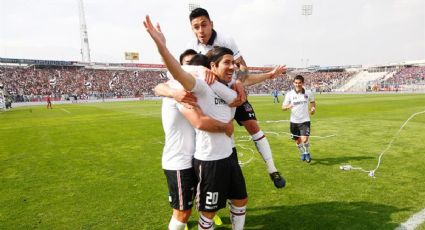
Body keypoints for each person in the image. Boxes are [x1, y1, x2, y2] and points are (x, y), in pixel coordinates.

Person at [144, 15, 247, 229]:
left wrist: (240, 84)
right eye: (188, 64)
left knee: (207, 207)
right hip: (180, 159)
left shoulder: (210, 87)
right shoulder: (181, 90)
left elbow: (236, 83)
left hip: (196, 156)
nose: (192, 67)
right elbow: (199, 122)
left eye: (196, 63)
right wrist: (161, 46)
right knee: (183, 213)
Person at [186, 7, 286, 188]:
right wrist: (201, 70)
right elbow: (186, 69)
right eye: (196, 27)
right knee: (210, 133)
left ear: (211, 24)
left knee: (253, 125)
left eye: (204, 25)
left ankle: (272, 169)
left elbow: (243, 69)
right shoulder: (193, 47)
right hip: (212, 93)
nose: (201, 31)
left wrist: (238, 82)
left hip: (233, 90)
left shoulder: (225, 40)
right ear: (192, 29)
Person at [282, 75, 316, 163]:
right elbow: (283, 107)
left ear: (303, 83)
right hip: (294, 122)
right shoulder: (289, 94)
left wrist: (312, 108)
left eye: (299, 83)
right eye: (296, 83)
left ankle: (307, 153)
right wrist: (288, 106)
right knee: (298, 141)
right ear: (294, 83)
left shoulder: (308, 93)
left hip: (305, 120)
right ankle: (303, 153)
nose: (297, 85)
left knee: (304, 139)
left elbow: (312, 102)